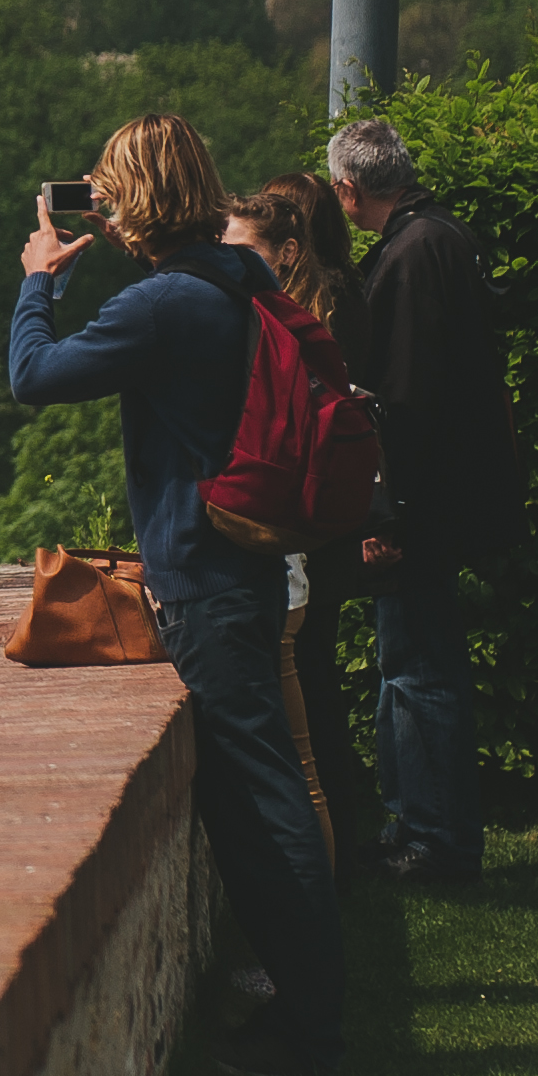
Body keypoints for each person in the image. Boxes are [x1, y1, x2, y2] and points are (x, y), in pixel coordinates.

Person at [15, 114, 345, 1076]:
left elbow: (32, 375)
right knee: (258, 792)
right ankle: (302, 1002)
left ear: (140, 200)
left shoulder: (168, 305)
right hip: (237, 565)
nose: (102, 209)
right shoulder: (234, 277)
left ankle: (310, 1027)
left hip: (205, 578)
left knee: (262, 796)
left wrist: (40, 280)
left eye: (110, 192)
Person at [328, 116, 514, 888]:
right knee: (417, 662)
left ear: (347, 189)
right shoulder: (445, 236)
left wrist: (384, 514)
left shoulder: (407, 255)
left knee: (415, 668)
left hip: (422, 503)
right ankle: (422, 829)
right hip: (458, 491)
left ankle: (432, 840)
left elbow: (400, 400)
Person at [225, 176, 379, 870]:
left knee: (309, 700)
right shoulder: (314, 309)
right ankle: (344, 852)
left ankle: (336, 863)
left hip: (309, 530)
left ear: (287, 250)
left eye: (238, 248)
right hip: (315, 525)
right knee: (311, 693)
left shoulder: (308, 318)